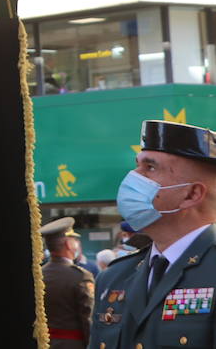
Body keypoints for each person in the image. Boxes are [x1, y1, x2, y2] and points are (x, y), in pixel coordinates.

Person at [89, 120, 216, 349]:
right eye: (137, 165)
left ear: (192, 194)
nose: (133, 176)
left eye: (150, 167)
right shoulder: (114, 277)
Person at [41, 216, 94, 349]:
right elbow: (88, 318)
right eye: (74, 239)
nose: (77, 243)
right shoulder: (80, 276)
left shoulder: (39, 274)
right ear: (68, 244)